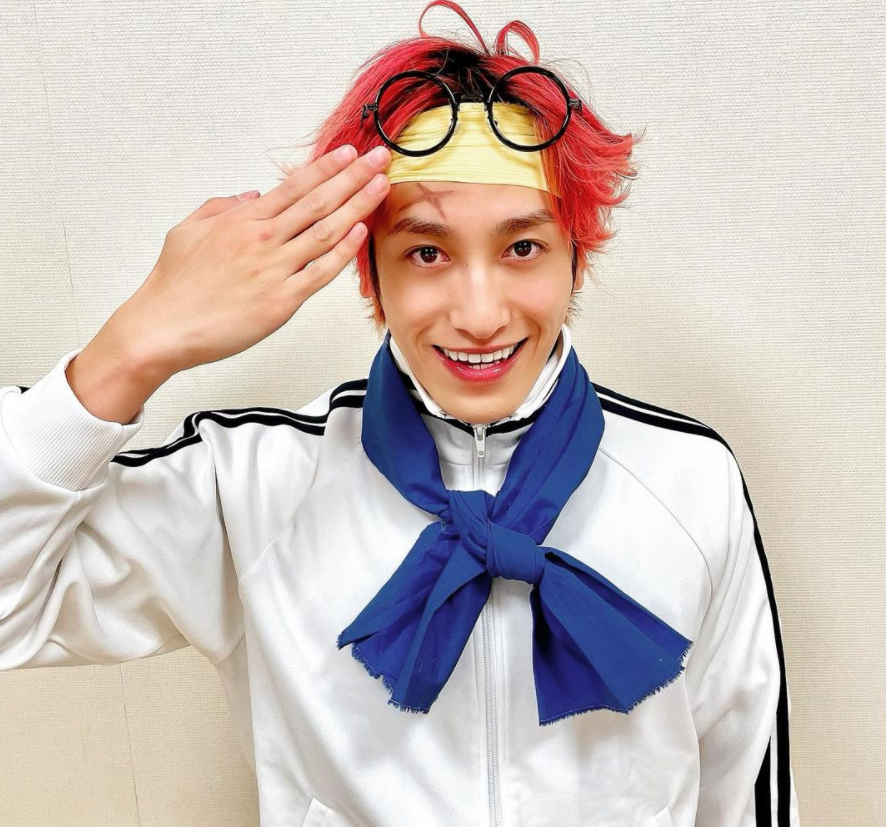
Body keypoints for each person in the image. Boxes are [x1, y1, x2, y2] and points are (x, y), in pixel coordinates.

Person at [0, 2, 800, 825]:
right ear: (369, 269)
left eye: (523, 247)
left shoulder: (692, 478)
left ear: (576, 258)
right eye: (426, 251)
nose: (480, 313)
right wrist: (134, 347)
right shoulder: (252, 485)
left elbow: (746, 786)